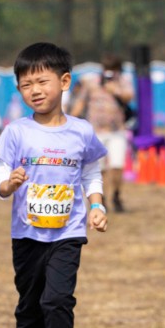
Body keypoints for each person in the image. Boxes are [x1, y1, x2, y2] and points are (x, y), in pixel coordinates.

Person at [0, 42, 108, 328]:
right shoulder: (16, 132)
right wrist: (8, 185)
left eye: (41, 81)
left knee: (57, 301)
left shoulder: (82, 131)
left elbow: (91, 171)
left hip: (68, 233)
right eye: (26, 84)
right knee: (30, 307)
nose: (35, 90)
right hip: (27, 236)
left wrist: (97, 203)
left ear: (65, 81)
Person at [68, 56, 133, 213]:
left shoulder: (123, 82)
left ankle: (116, 195)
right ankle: (100, 198)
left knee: (117, 166)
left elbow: (129, 96)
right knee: (99, 169)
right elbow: (80, 102)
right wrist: (70, 121)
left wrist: (114, 89)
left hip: (117, 131)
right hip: (95, 132)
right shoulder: (92, 83)